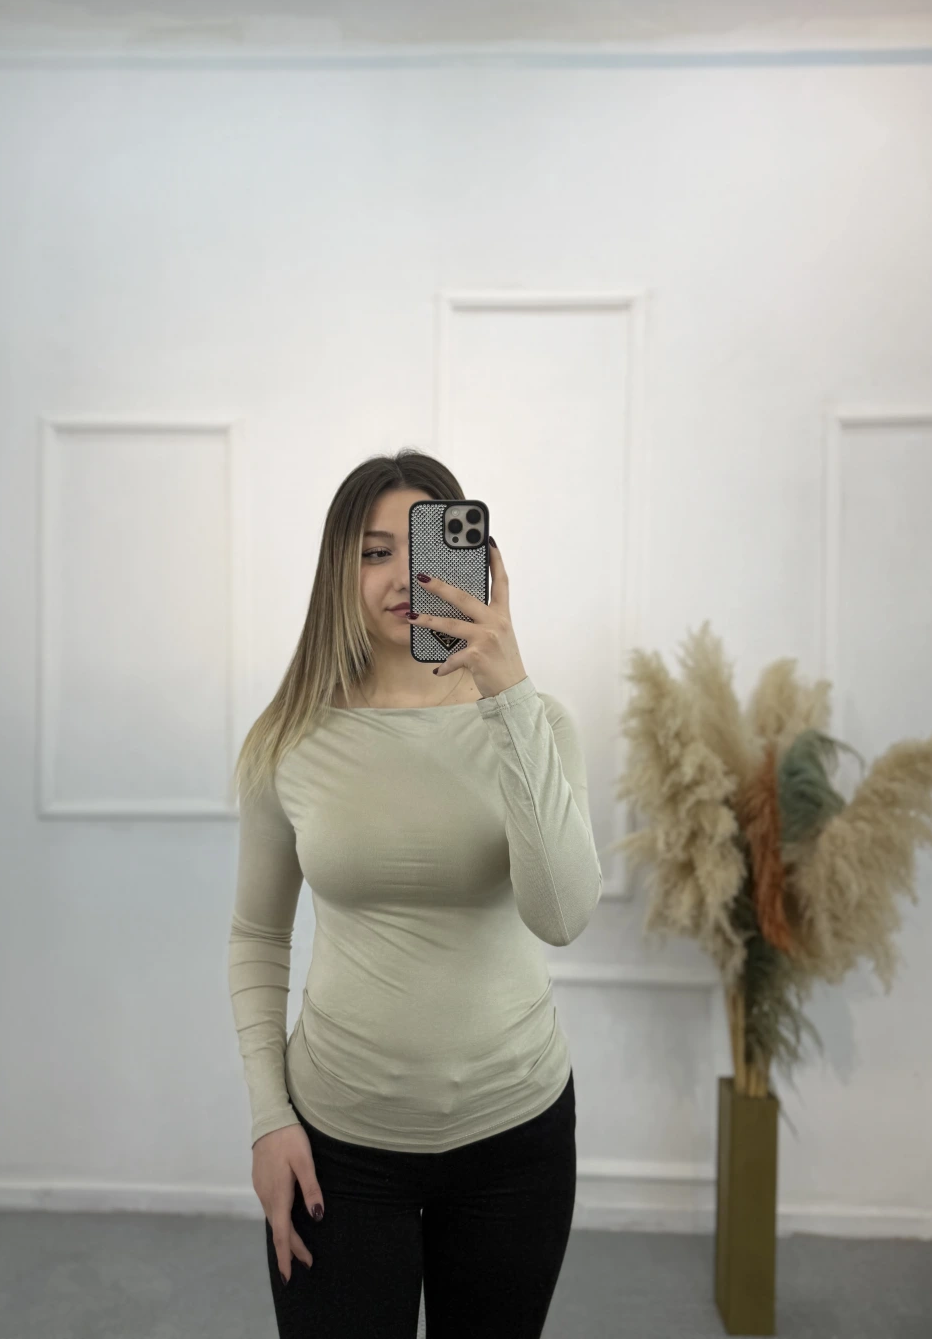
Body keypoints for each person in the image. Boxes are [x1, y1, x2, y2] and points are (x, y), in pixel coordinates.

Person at [227, 449, 604, 1338]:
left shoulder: (538, 722)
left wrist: (507, 692)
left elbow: (561, 916)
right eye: (373, 552)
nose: (403, 575)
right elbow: (257, 937)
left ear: (473, 561)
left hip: (516, 1136)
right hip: (338, 1143)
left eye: (427, 545)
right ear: (339, 571)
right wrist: (268, 1118)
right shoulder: (288, 738)